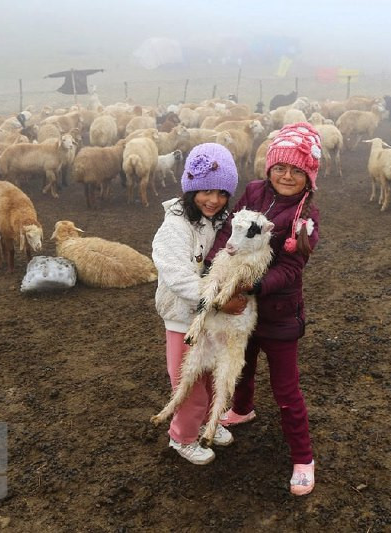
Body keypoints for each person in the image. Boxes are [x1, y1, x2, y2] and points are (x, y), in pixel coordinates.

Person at [207, 122, 322, 495]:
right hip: (241, 308)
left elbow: (291, 268)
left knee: (286, 390)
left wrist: (254, 287)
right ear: (269, 167)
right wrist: (213, 264)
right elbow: (229, 232)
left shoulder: (305, 217)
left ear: (309, 176)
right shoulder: (254, 191)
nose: (286, 176)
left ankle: (303, 457)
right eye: (280, 167)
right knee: (241, 363)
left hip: (278, 312)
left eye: (296, 170)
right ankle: (243, 408)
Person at [151, 143, 246, 465]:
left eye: (221, 193)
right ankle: (182, 437)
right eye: (205, 191)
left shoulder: (220, 221)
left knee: (209, 375)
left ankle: (205, 423)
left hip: (210, 318)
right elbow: (177, 277)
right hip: (183, 320)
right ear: (190, 189)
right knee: (189, 382)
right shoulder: (174, 228)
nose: (214, 200)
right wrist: (219, 301)